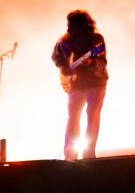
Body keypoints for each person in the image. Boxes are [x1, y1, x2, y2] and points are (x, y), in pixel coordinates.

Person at [51, 10, 108, 160]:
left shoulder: (96, 40)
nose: (68, 29)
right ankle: (70, 154)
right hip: (76, 85)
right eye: (68, 26)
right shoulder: (64, 41)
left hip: (95, 84)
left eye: (72, 26)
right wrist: (64, 68)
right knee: (73, 117)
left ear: (82, 26)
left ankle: (89, 153)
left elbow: (101, 63)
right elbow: (55, 56)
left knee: (93, 116)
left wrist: (90, 62)